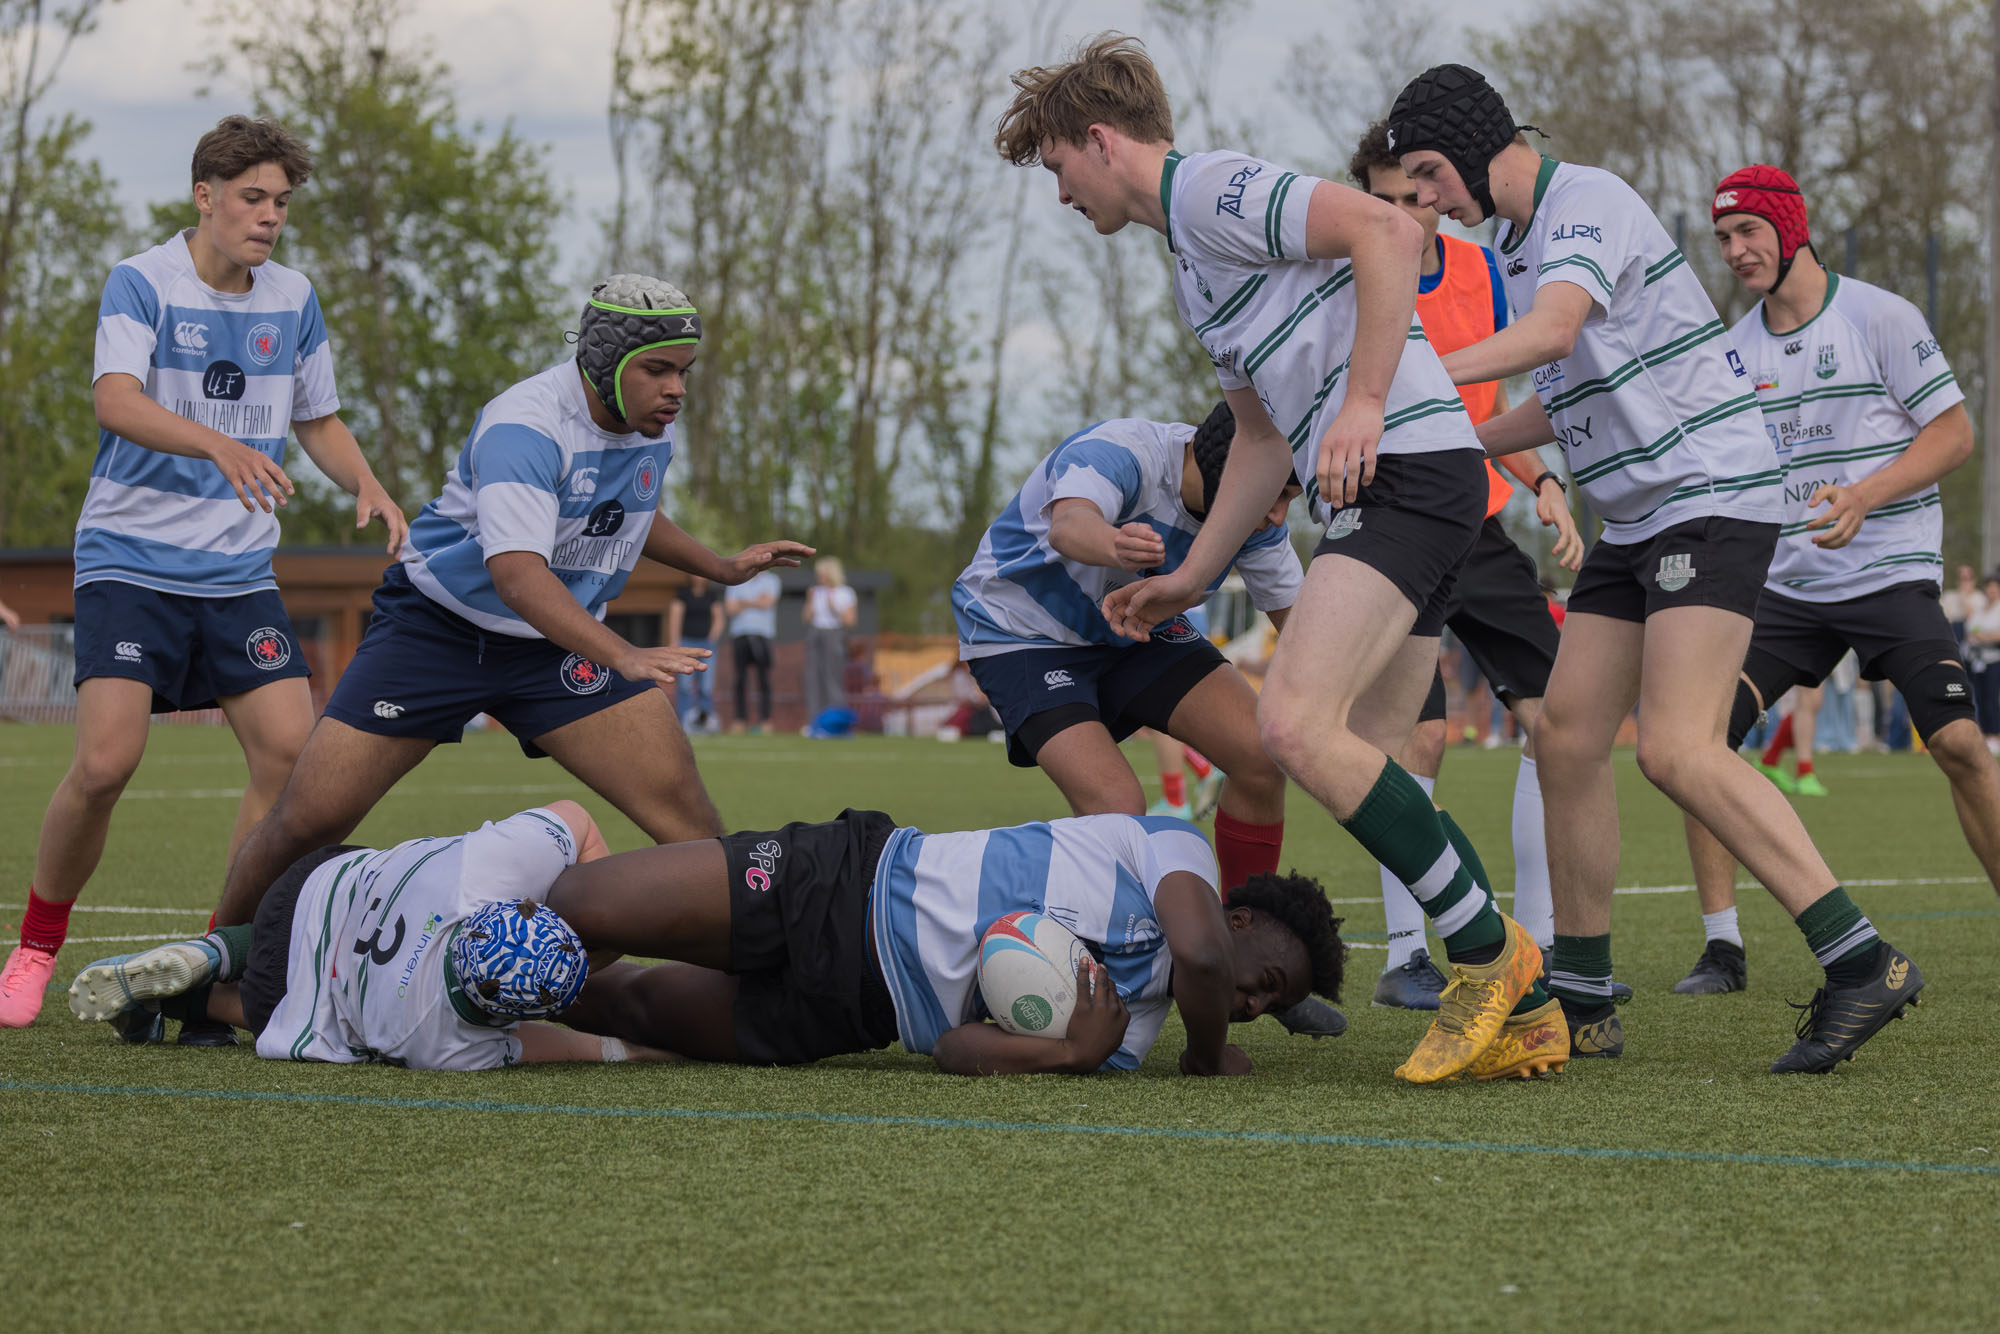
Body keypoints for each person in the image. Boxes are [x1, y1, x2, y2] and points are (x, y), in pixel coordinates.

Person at [996, 35, 1559, 1085]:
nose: (1061, 193)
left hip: (1409, 470)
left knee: (1290, 725)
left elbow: (1387, 229)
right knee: (1372, 751)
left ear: (1100, 140)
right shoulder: (1189, 265)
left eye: (1058, 166)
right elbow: (1257, 441)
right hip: (1398, 483)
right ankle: (1523, 1008)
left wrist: (1363, 400)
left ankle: (1492, 961)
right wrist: (1191, 576)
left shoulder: (1210, 188)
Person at [1393, 68, 1924, 1071]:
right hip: (1638, 515)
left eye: (1428, 171)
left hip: (1710, 496)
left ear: (1474, 144)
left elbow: (1553, 333)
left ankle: (1861, 960)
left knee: (1676, 750)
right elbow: (1562, 394)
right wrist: (1439, 435)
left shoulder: (1584, 202)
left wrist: (1398, 379)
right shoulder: (1513, 246)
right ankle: (1586, 995)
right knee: (1564, 737)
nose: (1423, 196)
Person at [209, 274, 814, 934]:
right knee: (309, 818)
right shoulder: (525, 425)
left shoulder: (650, 425)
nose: (677, 389)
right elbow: (519, 579)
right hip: (437, 631)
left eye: (684, 371)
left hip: (555, 647)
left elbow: (626, 509)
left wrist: (720, 567)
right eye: (658, 370)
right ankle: (209, 961)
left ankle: (751, 965)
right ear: (605, 360)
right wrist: (623, 655)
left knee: (688, 821)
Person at [0, 116, 408, 1034]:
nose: (270, 218)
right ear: (205, 196)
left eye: (282, 204)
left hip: (237, 573)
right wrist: (217, 444)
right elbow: (116, 401)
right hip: (130, 561)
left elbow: (317, 419)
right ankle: (34, 945)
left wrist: (368, 481)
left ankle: (214, 960)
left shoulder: (294, 297)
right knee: (105, 763)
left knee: (290, 759)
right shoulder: (142, 281)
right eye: (253, 199)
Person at [1671, 165, 2000, 995]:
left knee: (1960, 743)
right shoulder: (1731, 352)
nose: (1735, 251)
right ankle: (1722, 946)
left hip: (1888, 573)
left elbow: (1954, 434)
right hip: (1785, 588)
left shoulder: (1880, 316)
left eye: (1748, 231)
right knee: (1693, 741)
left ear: (1792, 228)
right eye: (1722, 238)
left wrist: (1863, 495)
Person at [953, 406, 1344, 1039]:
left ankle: (1239, 948)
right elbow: (1070, 524)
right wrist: (1114, 544)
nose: (1277, 516)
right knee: (1118, 808)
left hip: (1136, 626)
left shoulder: (1253, 525)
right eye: (1274, 495)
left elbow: (1301, 630)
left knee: (1260, 751)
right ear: (1232, 467)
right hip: (1023, 631)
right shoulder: (1126, 451)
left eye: (1288, 499)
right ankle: (1083, 972)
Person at [548, 806, 1360, 1076]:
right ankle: (478, 898)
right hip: (843, 882)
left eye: (1269, 1007)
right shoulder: (1174, 849)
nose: (1254, 1005)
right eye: (1269, 981)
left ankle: (479, 1005)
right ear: (1240, 919)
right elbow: (1203, 958)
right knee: (583, 903)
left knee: (624, 1004)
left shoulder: (1127, 1030)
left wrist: (1071, 1054)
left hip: (851, 1012)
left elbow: (954, 1050)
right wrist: (1206, 1055)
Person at [1352, 115, 1588, 1010]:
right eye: (1381, 200)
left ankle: (1546, 943)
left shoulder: (1485, 270)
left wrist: (1545, 480)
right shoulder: (1342, 278)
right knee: (1415, 738)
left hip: (1476, 519)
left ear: (1437, 194)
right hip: (1390, 524)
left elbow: (1486, 409)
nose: (1401, 214)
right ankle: (1405, 956)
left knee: (1556, 722)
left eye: (1414, 196)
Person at [68, 802, 674, 1067]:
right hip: (291, 991)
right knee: (281, 1011)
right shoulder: (445, 1045)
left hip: (314, 882)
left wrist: (600, 909)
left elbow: (578, 817)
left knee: (329, 912)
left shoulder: (490, 872)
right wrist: (625, 1049)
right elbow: (556, 1046)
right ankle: (183, 1001)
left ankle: (218, 948)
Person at [725, 567, 781, 733]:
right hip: (740, 634)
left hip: (763, 635)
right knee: (740, 680)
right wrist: (756, 601)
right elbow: (731, 608)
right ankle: (740, 720)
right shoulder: (735, 579)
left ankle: (765, 720)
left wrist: (743, 602)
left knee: (764, 680)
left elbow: (767, 603)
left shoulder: (772, 580)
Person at [803, 556, 857, 724]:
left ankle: (834, 720)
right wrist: (810, 600)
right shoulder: (815, 592)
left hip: (834, 634)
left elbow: (850, 621)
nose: (819, 576)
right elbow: (806, 618)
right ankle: (815, 721)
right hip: (815, 633)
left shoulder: (845, 592)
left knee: (832, 677)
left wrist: (834, 608)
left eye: (822, 572)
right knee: (813, 677)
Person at [669, 574, 724, 732]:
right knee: (685, 685)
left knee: (706, 686)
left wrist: (711, 639)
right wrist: (675, 641)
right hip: (686, 643)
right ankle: (685, 722)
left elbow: (719, 619)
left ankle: (707, 722)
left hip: (706, 645)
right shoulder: (683, 594)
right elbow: (675, 617)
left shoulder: (711, 595)